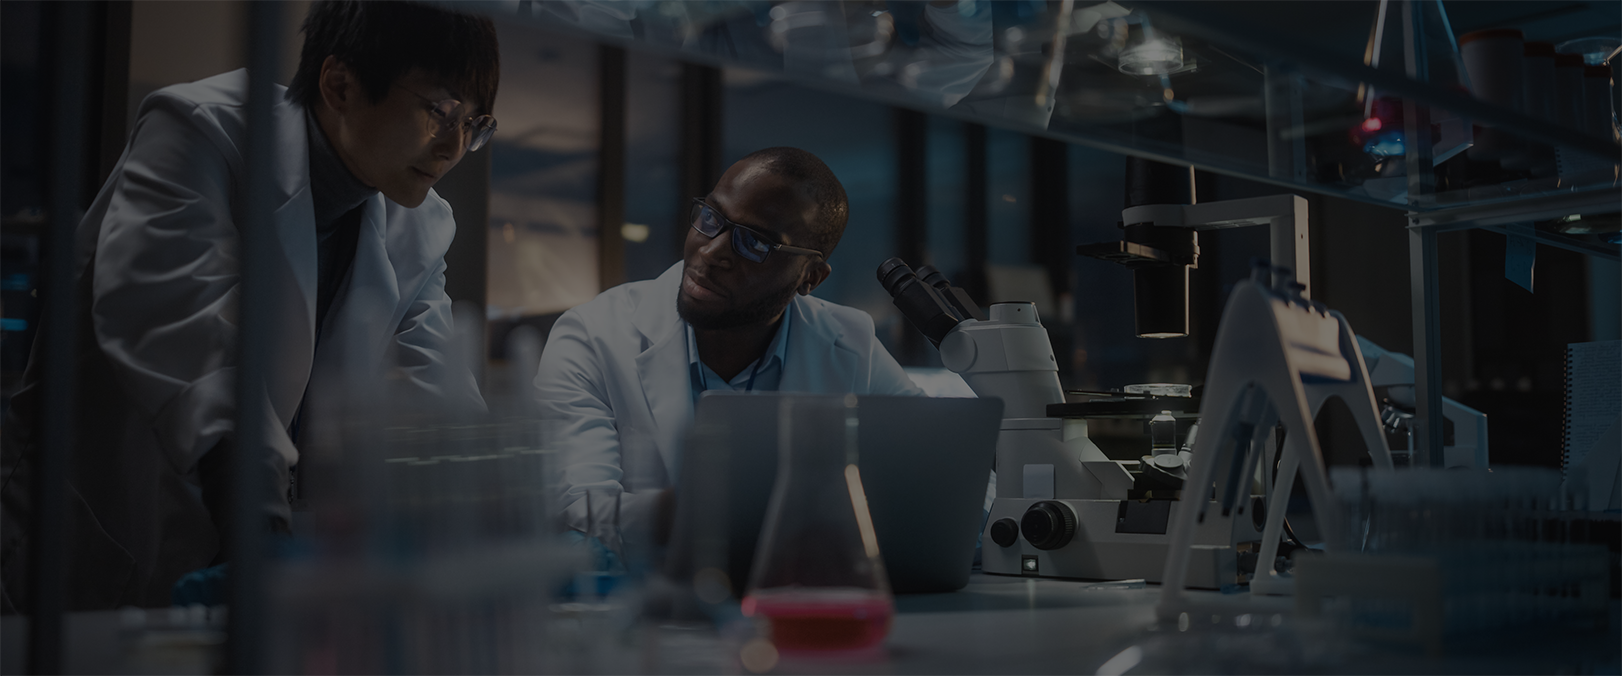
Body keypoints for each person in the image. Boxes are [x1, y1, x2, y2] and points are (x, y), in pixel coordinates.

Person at [0, 0, 497, 611]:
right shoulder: (201, 129)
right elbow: (189, 333)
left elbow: (436, 390)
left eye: (476, 123)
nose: (454, 144)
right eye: (440, 110)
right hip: (104, 531)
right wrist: (260, 520)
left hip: (254, 569)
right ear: (339, 82)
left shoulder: (420, 225)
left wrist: (497, 519)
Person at [535, 147, 923, 545]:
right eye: (711, 219)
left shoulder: (851, 343)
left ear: (810, 277)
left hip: (798, 596)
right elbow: (573, 508)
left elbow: (951, 473)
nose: (712, 251)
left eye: (754, 243)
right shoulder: (593, 335)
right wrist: (723, 511)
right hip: (650, 601)